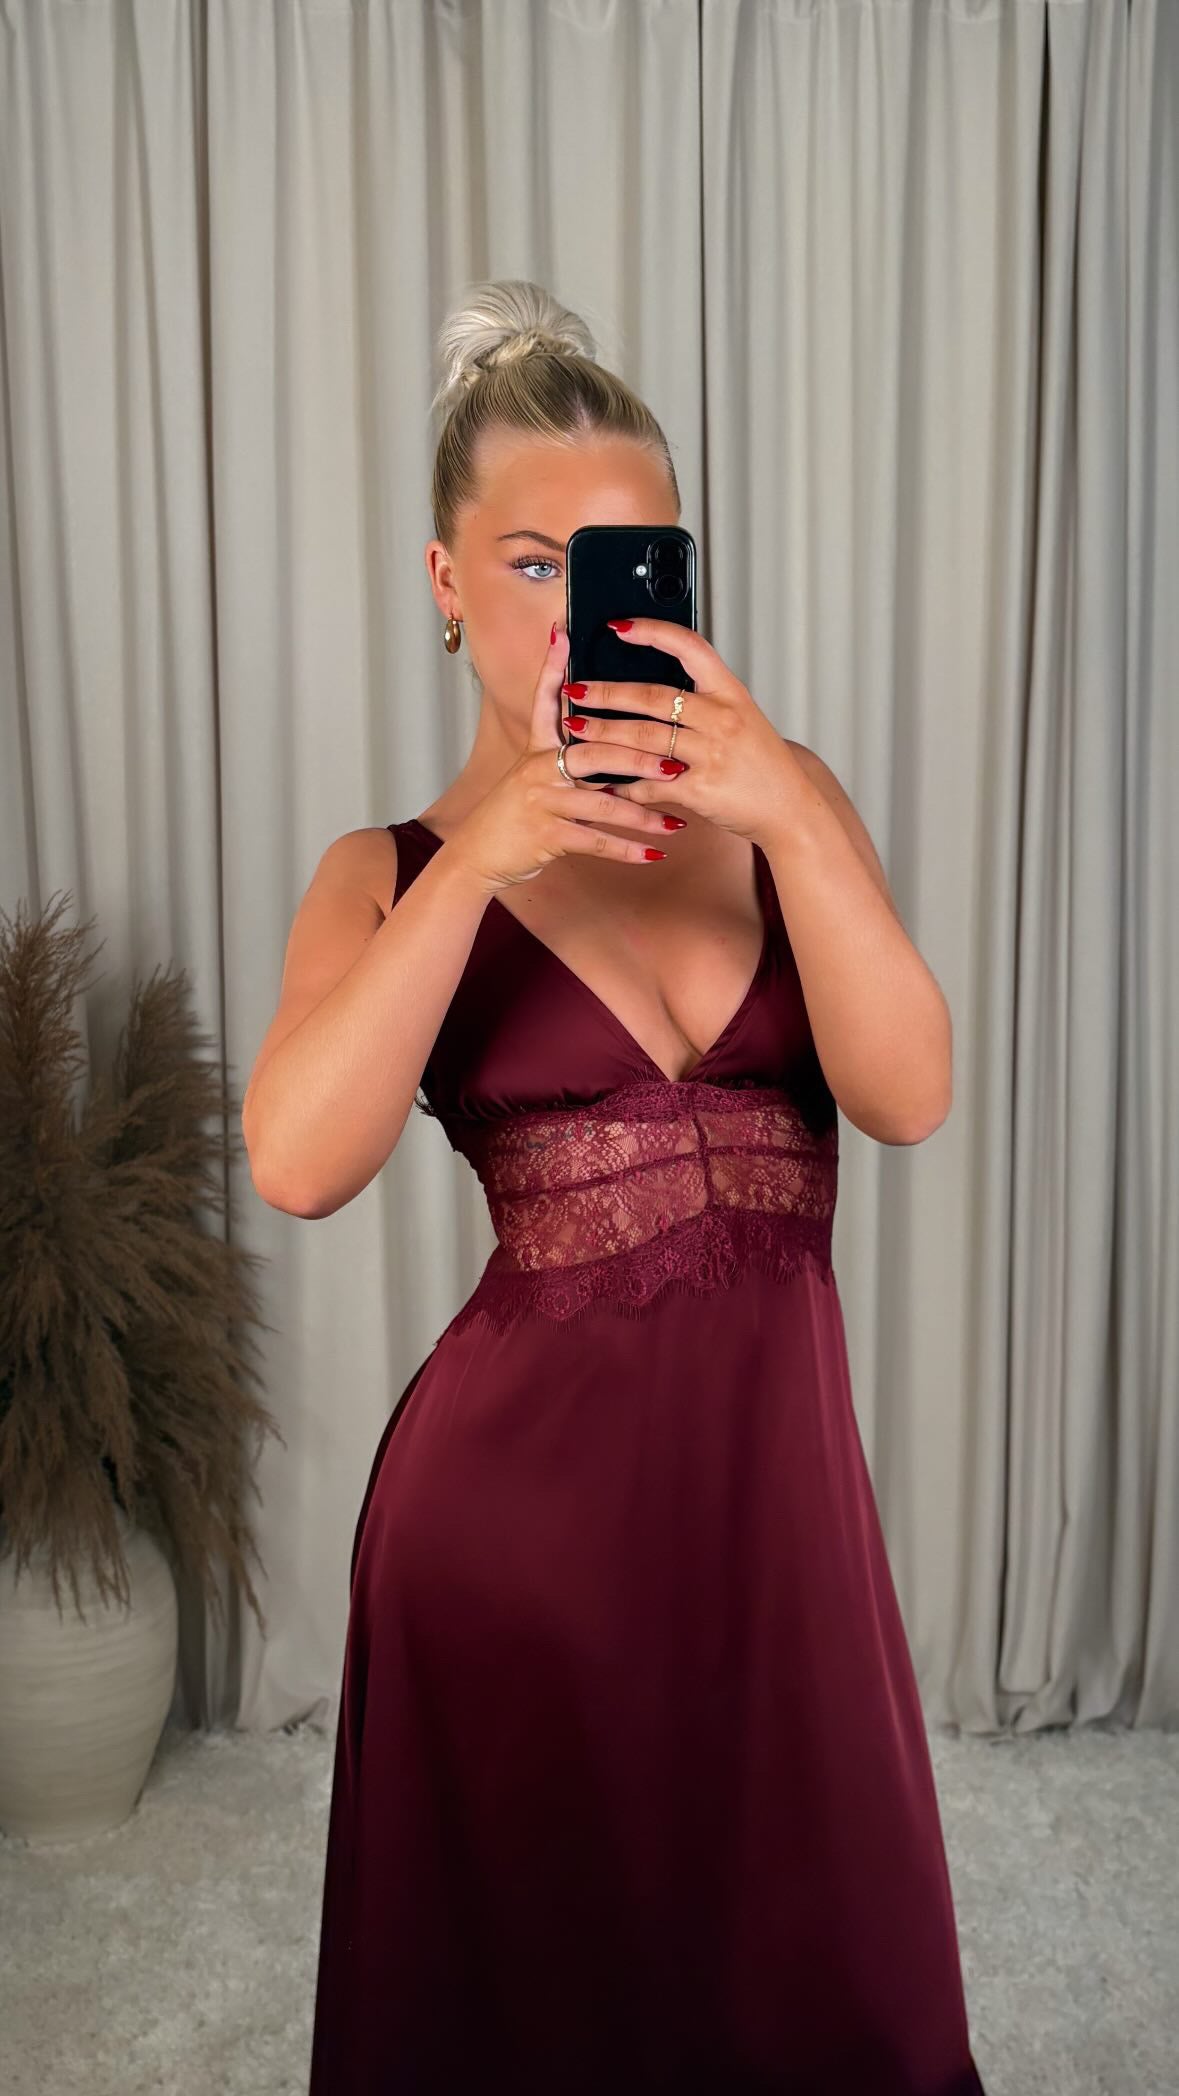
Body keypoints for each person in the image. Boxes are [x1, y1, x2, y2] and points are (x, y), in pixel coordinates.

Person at [246, 278, 986, 2092]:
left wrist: (787, 807)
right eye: (533, 563)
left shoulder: (785, 810)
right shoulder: (386, 870)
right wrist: (479, 862)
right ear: (444, 585)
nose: (587, 607)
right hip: (510, 1565)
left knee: (836, 2006)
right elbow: (298, 1160)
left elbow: (908, 1094)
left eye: (632, 561)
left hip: (775, 1545)